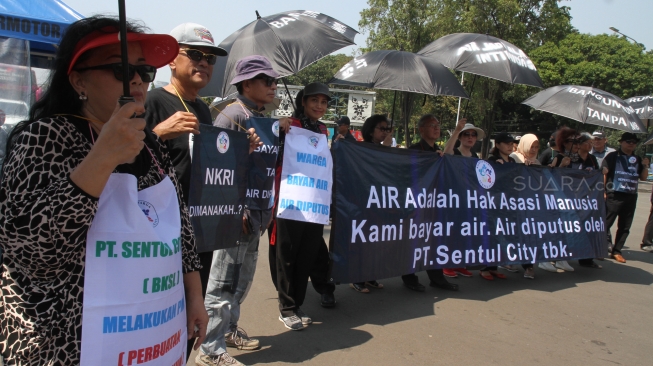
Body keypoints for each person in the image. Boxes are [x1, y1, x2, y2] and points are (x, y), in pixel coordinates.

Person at [0, 16, 207, 365]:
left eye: (144, 70)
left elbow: (180, 229)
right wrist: (103, 158)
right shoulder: (46, 137)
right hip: (63, 342)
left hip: (148, 337)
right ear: (78, 79)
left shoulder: (151, 145)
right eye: (122, 69)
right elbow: (29, 248)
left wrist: (194, 295)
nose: (138, 80)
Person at [196, 55, 279, 366]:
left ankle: (229, 331)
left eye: (273, 81)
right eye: (266, 81)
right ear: (247, 84)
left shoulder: (258, 117)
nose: (273, 86)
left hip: (257, 213)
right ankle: (210, 350)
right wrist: (234, 209)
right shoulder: (232, 115)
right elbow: (216, 168)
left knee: (240, 282)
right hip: (236, 217)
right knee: (222, 283)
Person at [274, 83, 336, 330]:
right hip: (290, 202)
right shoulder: (289, 125)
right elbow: (275, 155)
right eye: (314, 101)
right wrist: (278, 128)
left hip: (314, 203)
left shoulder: (323, 130)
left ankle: (296, 305)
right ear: (303, 102)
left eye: (323, 102)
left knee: (307, 255)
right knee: (286, 255)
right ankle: (286, 308)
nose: (319, 106)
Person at [399, 115, 459, 292]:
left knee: (434, 241)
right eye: (432, 125)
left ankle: (437, 278)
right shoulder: (414, 150)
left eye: (438, 125)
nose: (436, 128)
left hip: (434, 204)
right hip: (415, 204)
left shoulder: (438, 150)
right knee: (412, 242)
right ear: (421, 130)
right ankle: (409, 278)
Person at [347, 114, 390, 293]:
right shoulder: (361, 148)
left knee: (374, 242)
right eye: (381, 128)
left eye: (387, 129)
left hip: (379, 203)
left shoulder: (388, 149)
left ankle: (369, 276)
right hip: (362, 204)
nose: (385, 132)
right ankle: (356, 278)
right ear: (371, 130)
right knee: (361, 243)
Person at [442, 119, 481, 278]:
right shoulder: (455, 153)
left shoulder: (476, 157)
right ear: (460, 137)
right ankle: (446, 264)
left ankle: (459, 263)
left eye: (473, 135)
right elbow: (446, 152)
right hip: (454, 199)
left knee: (464, 233)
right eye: (466, 135)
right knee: (452, 233)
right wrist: (457, 130)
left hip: (469, 201)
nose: (470, 137)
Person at [602, 132, 649, 263]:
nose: (632, 144)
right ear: (621, 142)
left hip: (631, 195)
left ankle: (617, 251)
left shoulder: (637, 159)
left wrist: (645, 166)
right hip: (614, 194)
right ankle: (600, 248)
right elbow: (604, 173)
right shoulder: (612, 156)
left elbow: (643, 177)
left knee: (625, 226)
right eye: (629, 141)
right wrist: (603, 191)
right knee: (606, 223)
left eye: (634, 142)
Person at [545, 127, 579, 272]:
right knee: (553, 230)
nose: (577, 144)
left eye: (578, 141)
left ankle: (561, 258)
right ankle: (545, 258)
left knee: (565, 230)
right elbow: (549, 179)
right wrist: (560, 166)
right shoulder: (558, 157)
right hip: (556, 199)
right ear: (564, 143)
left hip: (569, 199)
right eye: (573, 141)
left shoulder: (577, 159)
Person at [505, 133, 539, 278]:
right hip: (513, 203)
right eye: (531, 146)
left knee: (528, 235)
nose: (534, 150)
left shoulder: (536, 162)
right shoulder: (514, 158)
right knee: (512, 233)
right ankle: (508, 259)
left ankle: (528, 266)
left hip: (529, 204)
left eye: (537, 147)